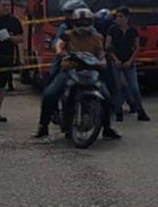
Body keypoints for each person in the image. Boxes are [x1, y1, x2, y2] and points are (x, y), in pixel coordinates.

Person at [38, 7, 119, 140]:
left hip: (91, 71)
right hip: (71, 70)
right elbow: (59, 44)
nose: (83, 26)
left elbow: (101, 53)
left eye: (86, 23)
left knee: (107, 97)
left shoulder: (97, 37)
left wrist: (102, 61)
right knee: (50, 95)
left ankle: (107, 127)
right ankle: (43, 125)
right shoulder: (67, 35)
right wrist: (60, 51)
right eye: (79, 23)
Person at [107, 7, 150, 121]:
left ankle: (140, 110)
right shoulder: (112, 29)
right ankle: (118, 111)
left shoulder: (133, 31)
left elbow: (137, 47)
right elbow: (108, 47)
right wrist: (115, 59)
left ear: (127, 18)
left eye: (121, 17)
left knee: (134, 87)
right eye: (117, 17)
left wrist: (130, 61)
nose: (118, 19)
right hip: (116, 62)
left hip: (129, 63)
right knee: (118, 87)